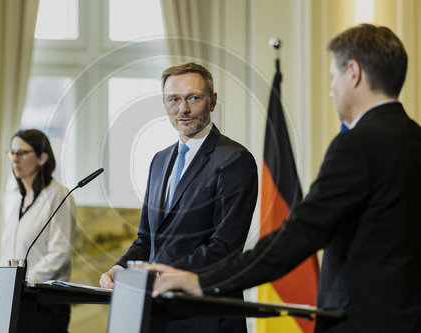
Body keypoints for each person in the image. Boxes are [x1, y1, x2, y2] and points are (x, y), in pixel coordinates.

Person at [149, 24, 421, 333]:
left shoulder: (355, 145)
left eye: (333, 77)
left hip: (363, 322)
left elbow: (299, 235)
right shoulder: (415, 140)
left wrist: (203, 280)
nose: (331, 91)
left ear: (354, 73)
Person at [100, 63, 258, 332]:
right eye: (174, 99)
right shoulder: (159, 161)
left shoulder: (235, 159)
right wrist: (121, 268)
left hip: (205, 316)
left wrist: (156, 274)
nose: (183, 109)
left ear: (212, 101)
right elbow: (147, 239)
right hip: (155, 314)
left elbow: (224, 247)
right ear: (164, 103)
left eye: (193, 98)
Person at [0, 129, 76, 333]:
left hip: (45, 305)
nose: (15, 159)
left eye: (21, 153)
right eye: (12, 153)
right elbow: (15, 254)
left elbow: (59, 254)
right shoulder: (19, 201)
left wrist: (19, 279)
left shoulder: (59, 195)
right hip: (15, 300)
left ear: (42, 157)